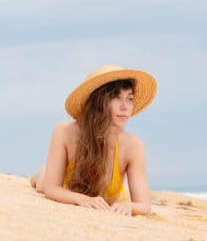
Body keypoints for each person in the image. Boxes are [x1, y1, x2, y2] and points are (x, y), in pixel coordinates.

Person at [30, 65, 157, 216]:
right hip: (67, 187)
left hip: (108, 197)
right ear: (98, 100)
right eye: (116, 97)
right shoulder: (64, 131)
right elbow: (51, 189)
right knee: (42, 182)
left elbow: (144, 205)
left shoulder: (133, 145)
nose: (125, 107)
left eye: (129, 98)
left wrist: (130, 207)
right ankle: (42, 171)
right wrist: (82, 200)